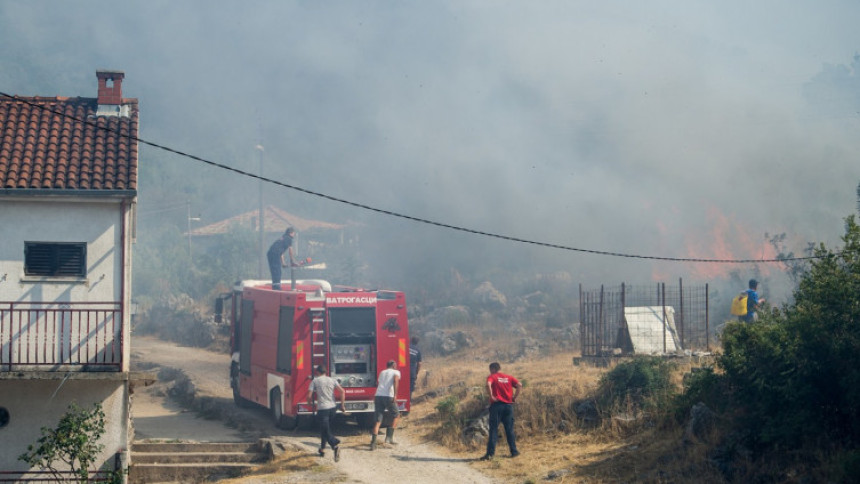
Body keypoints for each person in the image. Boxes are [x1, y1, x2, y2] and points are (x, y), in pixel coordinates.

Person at [480, 362, 522, 461]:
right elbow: (519, 385)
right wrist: (514, 397)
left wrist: (491, 396)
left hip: (497, 406)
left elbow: (488, 384)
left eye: (490, 370)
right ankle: (514, 452)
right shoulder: (508, 377)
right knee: (509, 429)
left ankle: (490, 454)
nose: (490, 372)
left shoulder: (492, 377)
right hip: (508, 406)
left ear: (493, 369)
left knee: (493, 430)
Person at [308, 365, 345, 462]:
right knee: (324, 428)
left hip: (323, 409)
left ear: (317, 372)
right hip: (332, 408)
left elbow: (309, 395)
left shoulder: (315, 381)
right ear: (325, 372)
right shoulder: (332, 380)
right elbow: (342, 391)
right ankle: (322, 449)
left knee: (325, 428)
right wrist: (342, 405)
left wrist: (309, 403)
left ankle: (334, 444)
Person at [371, 360, 401, 450]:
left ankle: (373, 443)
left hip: (378, 396)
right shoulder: (396, 372)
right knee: (396, 415)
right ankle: (389, 438)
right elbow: (395, 381)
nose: (396, 366)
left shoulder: (382, 372)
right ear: (393, 365)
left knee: (378, 420)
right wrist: (395, 395)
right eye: (395, 365)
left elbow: (379, 383)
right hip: (388, 396)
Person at [409, 336, 422, 400]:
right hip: (412, 372)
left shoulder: (404, 346)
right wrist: (416, 372)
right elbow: (419, 364)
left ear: (411, 340)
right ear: (417, 342)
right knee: (410, 388)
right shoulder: (418, 351)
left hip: (403, 371)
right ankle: (409, 400)